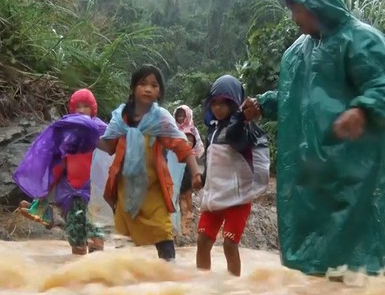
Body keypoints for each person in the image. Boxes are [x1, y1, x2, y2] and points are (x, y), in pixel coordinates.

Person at [241, 0, 385, 277]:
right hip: (313, 172)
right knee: (316, 260)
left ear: (317, 3)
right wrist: (263, 104)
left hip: (355, 169)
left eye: (297, 8)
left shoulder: (361, 39)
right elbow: (292, 94)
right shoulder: (298, 51)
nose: (294, 17)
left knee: (357, 256)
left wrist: (362, 110)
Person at [98, 65, 203, 261]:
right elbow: (108, 145)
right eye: (143, 84)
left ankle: (169, 279)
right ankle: (125, 282)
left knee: (163, 233)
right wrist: (83, 138)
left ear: (159, 92)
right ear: (133, 88)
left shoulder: (160, 118)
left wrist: (196, 171)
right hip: (125, 189)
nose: (148, 89)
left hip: (153, 188)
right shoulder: (121, 118)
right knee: (123, 239)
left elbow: (181, 145)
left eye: (154, 85)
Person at [13, 89, 108, 255]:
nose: (80, 110)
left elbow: (113, 160)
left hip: (95, 194)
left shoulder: (102, 131)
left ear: (93, 109)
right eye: (77, 106)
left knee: (96, 236)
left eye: (85, 106)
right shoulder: (66, 134)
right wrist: (42, 194)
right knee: (76, 237)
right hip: (71, 193)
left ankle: (96, 275)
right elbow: (58, 165)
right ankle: (77, 273)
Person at [197, 75, 270, 277]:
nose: (218, 108)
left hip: (238, 199)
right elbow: (211, 161)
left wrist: (240, 118)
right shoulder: (212, 131)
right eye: (215, 103)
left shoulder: (246, 129)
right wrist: (202, 179)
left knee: (229, 243)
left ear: (235, 104)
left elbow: (237, 141)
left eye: (224, 104)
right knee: (203, 240)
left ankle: (234, 289)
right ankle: (201, 284)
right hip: (216, 195)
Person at [173, 105, 205, 235]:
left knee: (187, 191)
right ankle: (182, 214)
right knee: (179, 191)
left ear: (187, 116)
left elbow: (191, 146)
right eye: (178, 116)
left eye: (182, 115)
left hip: (188, 163)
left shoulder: (190, 130)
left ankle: (189, 212)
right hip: (178, 163)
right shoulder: (174, 129)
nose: (180, 118)